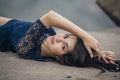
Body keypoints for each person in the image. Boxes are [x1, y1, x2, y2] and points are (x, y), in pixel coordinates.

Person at [0, 10, 119, 72]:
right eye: (66, 36)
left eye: (63, 46)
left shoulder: (26, 48)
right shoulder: (50, 35)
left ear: (59, 59)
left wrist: (86, 36)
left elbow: (50, 17)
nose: (58, 39)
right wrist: (97, 54)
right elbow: (15, 24)